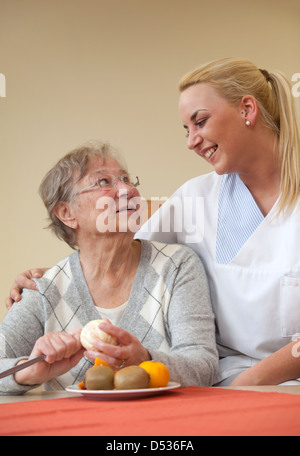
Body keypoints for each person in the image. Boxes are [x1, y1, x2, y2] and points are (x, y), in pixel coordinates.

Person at [7, 56, 300, 387]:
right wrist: (45, 284)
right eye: (186, 130)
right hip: (228, 382)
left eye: (200, 122)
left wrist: (248, 383)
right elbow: (113, 256)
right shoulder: (195, 198)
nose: (191, 141)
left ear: (247, 110)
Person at [0, 141, 218, 394]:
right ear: (67, 212)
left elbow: (205, 367)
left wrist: (144, 359)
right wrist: (28, 371)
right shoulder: (43, 289)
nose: (128, 190)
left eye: (127, 179)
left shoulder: (177, 265)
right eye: (104, 182)